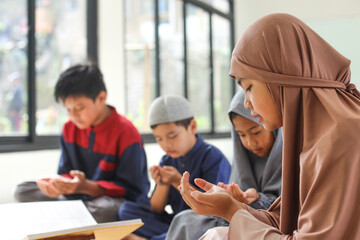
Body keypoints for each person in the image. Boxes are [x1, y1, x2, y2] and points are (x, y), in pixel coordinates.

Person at [179, 13, 360, 239]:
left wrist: (231, 211)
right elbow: (288, 222)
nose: (246, 102)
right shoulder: (318, 135)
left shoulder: (341, 137)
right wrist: (230, 207)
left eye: (249, 87)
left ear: (280, 78)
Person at [14, 63, 150, 223]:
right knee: (22, 190)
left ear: (101, 98)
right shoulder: (69, 128)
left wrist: (86, 186)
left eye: (79, 108)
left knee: (105, 210)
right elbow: (65, 171)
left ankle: (68, 213)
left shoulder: (126, 133)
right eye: (68, 110)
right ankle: (73, 214)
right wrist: (58, 184)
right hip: (78, 197)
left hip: (110, 201)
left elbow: (133, 190)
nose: (73, 116)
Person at [166, 89, 282, 240]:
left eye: (256, 132)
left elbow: (289, 213)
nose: (250, 142)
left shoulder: (291, 159)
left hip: (267, 224)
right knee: (184, 219)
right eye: (241, 135)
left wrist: (256, 200)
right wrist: (233, 198)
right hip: (237, 216)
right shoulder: (244, 159)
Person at [118, 95, 231, 240]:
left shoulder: (212, 157)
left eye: (172, 136)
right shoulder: (167, 160)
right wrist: (162, 184)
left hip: (203, 222)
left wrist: (178, 180)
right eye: (159, 139)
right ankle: (170, 235)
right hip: (177, 222)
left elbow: (212, 209)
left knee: (193, 224)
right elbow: (156, 208)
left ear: (192, 127)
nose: (166, 144)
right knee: (127, 210)